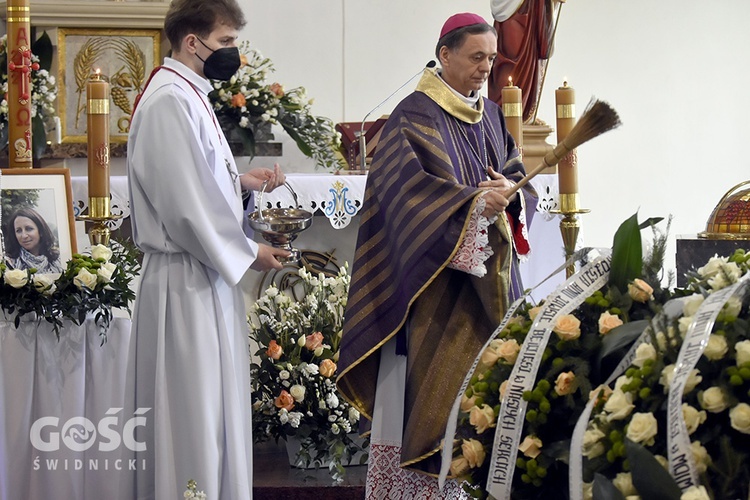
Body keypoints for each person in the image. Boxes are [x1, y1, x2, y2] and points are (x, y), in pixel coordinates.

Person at [336, 12, 536, 498]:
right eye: (475, 57)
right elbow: (400, 197)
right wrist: (470, 205)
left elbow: (514, 176)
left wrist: (509, 191)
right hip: (431, 292)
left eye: (490, 58)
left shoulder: (490, 115)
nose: (486, 68)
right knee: (431, 399)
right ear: (445, 54)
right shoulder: (415, 115)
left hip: (489, 285)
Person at [125, 0, 289, 498]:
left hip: (202, 275)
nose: (233, 55)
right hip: (183, 283)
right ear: (191, 42)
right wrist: (248, 250)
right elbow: (184, 208)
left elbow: (192, 184)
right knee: (191, 409)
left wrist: (239, 183)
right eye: (225, 43)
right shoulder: (170, 100)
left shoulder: (189, 92)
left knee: (211, 406)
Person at [489, 0, 563, 122]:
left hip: (532, 12)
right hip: (512, 12)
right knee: (511, 64)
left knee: (532, 62)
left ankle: (526, 116)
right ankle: (505, 118)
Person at [3, 206, 63, 274]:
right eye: (18, 231)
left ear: (41, 231)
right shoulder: (8, 264)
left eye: (29, 229)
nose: (24, 235)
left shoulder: (57, 260)